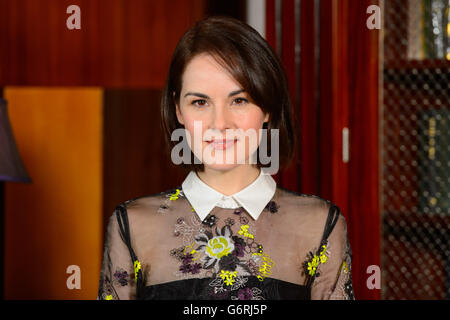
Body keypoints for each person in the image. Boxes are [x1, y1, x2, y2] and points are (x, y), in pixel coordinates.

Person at [97, 15, 354, 300]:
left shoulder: (319, 225)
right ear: (178, 110)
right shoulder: (132, 226)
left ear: (267, 108)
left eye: (239, 100)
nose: (219, 123)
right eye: (200, 102)